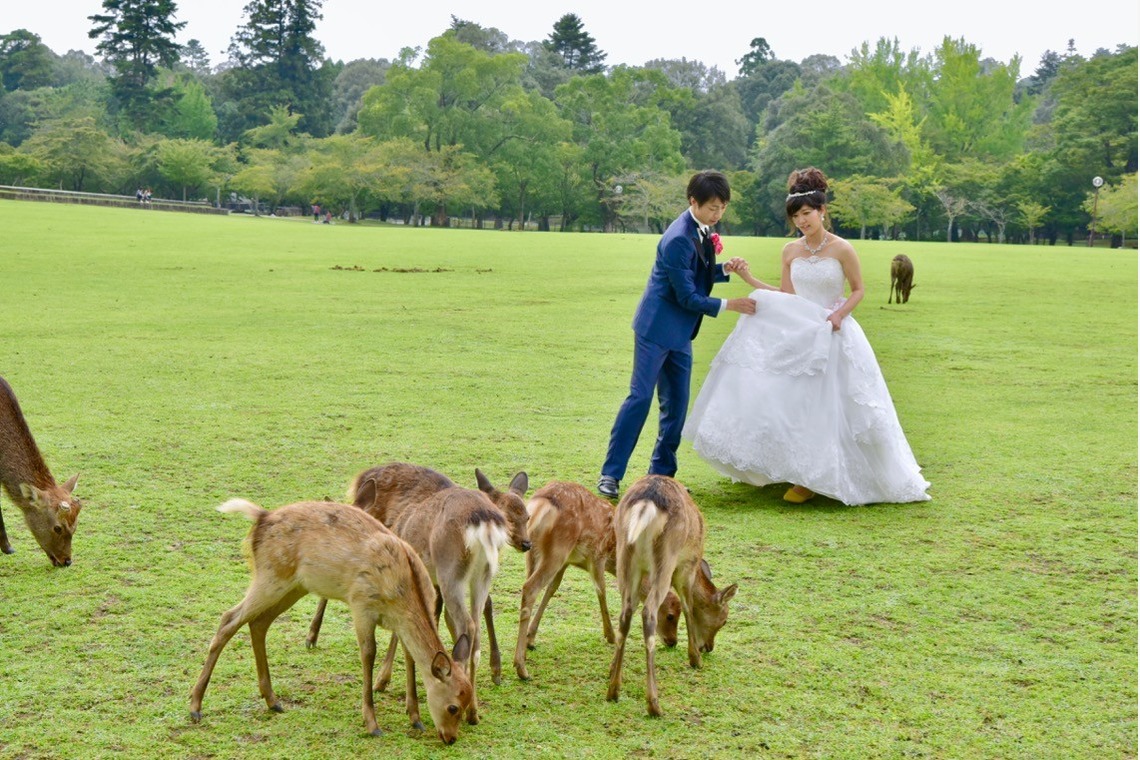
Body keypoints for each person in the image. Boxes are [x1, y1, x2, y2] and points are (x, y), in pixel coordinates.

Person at [682, 167, 931, 506]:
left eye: (807, 214)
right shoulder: (790, 251)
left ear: (822, 211)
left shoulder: (842, 249)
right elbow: (787, 295)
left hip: (832, 329)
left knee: (830, 403)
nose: (802, 221)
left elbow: (858, 290)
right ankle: (791, 467)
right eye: (796, 216)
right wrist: (751, 280)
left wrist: (838, 316)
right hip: (801, 327)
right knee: (791, 400)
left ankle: (816, 477)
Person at [597, 170, 761, 499]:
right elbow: (687, 296)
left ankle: (662, 476)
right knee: (640, 398)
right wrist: (732, 304)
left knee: (677, 407)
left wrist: (723, 269)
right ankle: (611, 475)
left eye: (722, 208)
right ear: (693, 202)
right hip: (656, 329)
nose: (718, 214)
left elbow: (695, 272)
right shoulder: (676, 239)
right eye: (713, 208)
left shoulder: (701, 231)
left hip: (681, 333)